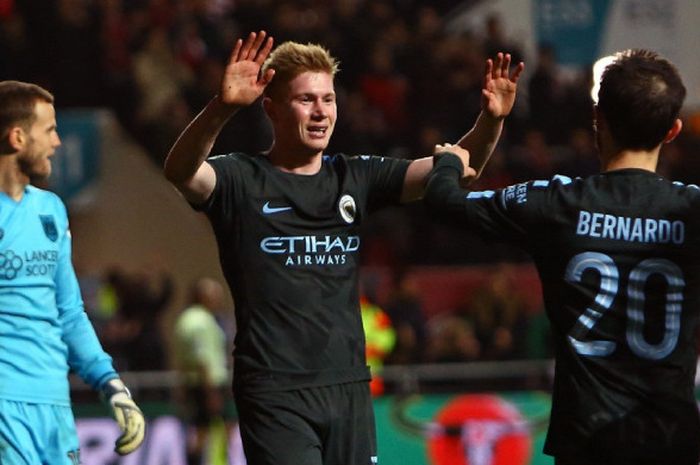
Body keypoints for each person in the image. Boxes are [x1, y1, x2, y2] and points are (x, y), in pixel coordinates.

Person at [163, 30, 522, 465]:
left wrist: (492, 120)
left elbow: (459, 170)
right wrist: (221, 109)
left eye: (328, 99)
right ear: (272, 109)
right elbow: (181, 172)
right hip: (276, 390)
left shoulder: (355, 176)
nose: (321, 112)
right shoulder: (240, 179)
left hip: (349, 385)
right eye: (306, 100)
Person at [424, 49, 699, 465]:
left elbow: (444, 201)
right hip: (671, 442)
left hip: (586, 441)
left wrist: (451, 159)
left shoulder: (556, 203)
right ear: (673, 130)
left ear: (597, 121)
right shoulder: (693, 212)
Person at [0, 80, 145, 462]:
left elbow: (69, 311)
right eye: (48, 130)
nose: (58, 142)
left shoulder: (51, 210)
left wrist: (111, 384)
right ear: (17, 137)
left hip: (55, 405)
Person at [173, 277, 231, 465]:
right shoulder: (201, 322)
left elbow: (182, 360)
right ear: (203, 296)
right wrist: (211, 393)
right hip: (208, 386)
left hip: (195, 384)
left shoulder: (185, 318)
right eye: (215, 294)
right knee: (206, 432)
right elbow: (202, 359)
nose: (219, 299)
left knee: (199, 431)